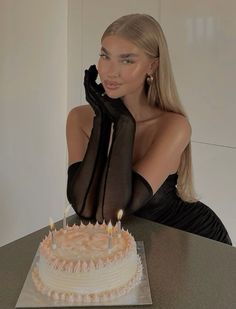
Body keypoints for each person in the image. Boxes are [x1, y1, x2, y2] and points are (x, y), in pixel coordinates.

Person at [66, 13, 232, 245]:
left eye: (127, 60)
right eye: (105, 56)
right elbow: (84, 207)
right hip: (122, 246)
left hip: (184, 236)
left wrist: (123, 122)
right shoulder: (79, 119)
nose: (110, 71)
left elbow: (112, 213)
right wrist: (103, 121)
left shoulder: (174, 127)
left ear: (152, 66)